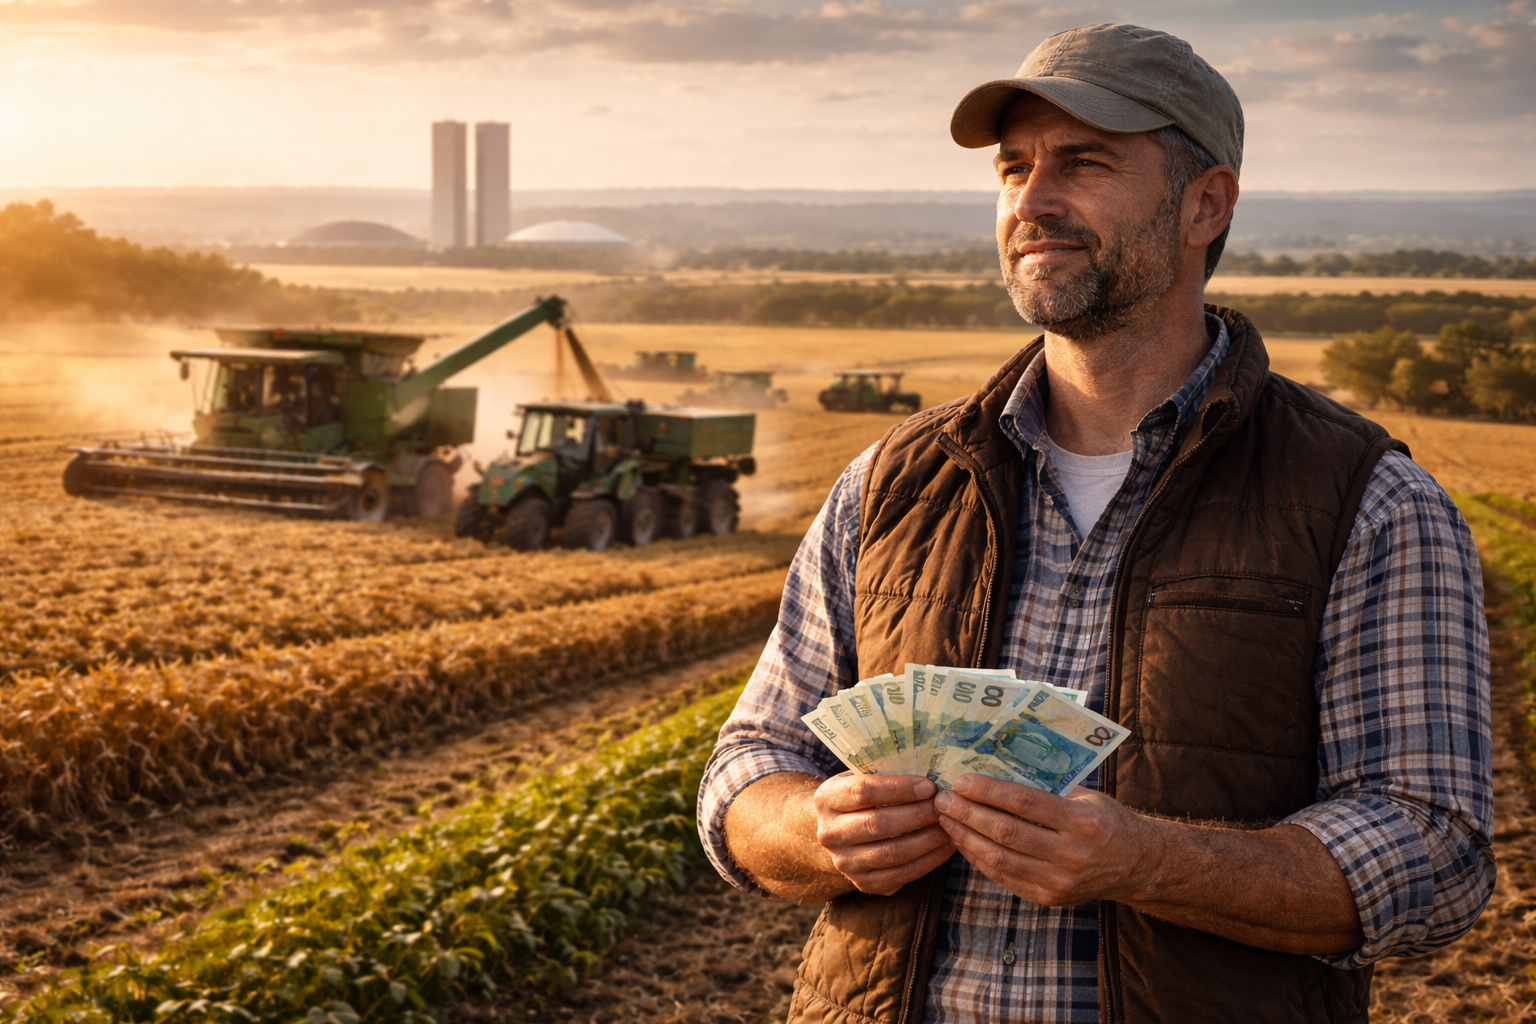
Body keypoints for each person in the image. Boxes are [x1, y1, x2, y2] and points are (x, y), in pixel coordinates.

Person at [697, 22, 1495, 1024]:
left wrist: (1145, 860)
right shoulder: (891, 483)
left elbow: (1435, 853)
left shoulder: (1368, 502)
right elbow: (747, 769)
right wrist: (816, 830)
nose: (1032, 200)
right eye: (1014, 167)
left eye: (1083, 163)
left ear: (1206, 205)